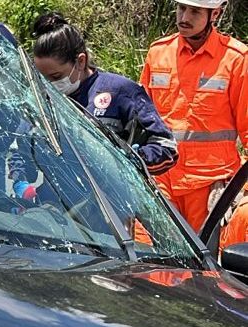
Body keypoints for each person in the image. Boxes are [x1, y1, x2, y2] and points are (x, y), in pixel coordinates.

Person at [140, 0, 247, 231]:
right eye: (181, 8)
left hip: (210, 183)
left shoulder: (236, 59)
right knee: (153, 258)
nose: (184, 17)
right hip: (161, 177)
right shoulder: (158, 52)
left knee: (206, 261)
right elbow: (139, 119)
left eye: (195, 11)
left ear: (215, 14)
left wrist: (242, 188)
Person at [32, 13, 179, 180]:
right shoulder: (41, 98)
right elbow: (23, 145)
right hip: (61, 200)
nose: (49, 84)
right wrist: (21, 182)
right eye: (43, 78)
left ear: (80, 61)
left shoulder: (120, 91)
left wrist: (131, 160)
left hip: (113, 201)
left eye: (56, 76)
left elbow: (167, 147)